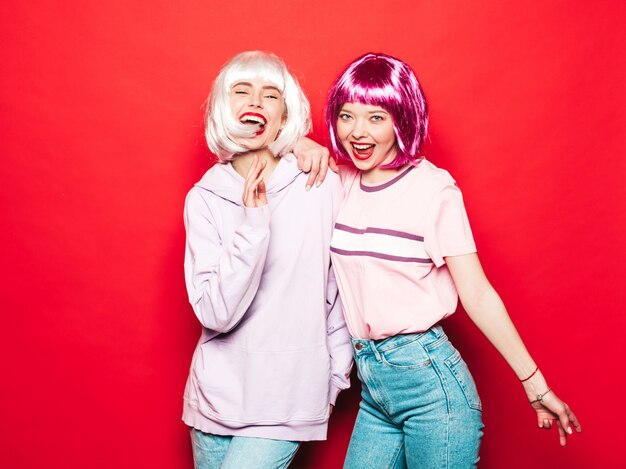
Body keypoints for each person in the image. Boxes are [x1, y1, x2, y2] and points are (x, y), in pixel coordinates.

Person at [297, 52, 581, 467]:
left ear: (403, 118)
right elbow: (262, 148)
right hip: (373, 386)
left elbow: (478, 293)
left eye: (376, 117)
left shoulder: (434, 190)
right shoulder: (340, 181)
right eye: (346, 115)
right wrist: (299, 142)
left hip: (431, 385)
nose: (357, 132)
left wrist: (535, 385)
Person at [182, 51, 352, 469]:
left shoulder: (321, 184)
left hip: (288, 400)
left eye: (270, 95)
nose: (255, 101)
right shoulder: (203, 198)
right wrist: (254, 223)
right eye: (242, 91)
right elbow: (214, 314)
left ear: (283, 115)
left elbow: (341, 294)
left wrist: (331, 384)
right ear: (225, 109)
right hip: (214, 401)